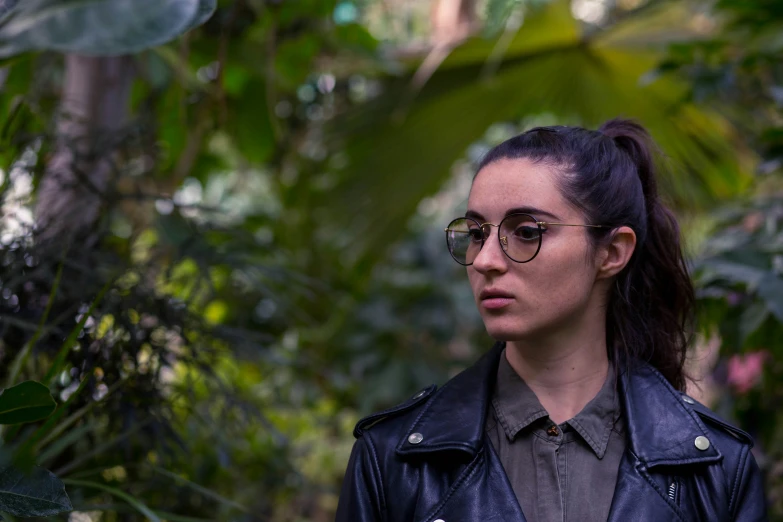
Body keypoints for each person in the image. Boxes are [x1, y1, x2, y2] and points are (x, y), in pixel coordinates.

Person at [335, 119, 768, 521]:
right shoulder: (393, 459)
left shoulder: (716, 469)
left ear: (612, 252)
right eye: (476, 233)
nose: (485, 260)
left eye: (526, 231)